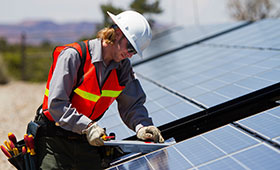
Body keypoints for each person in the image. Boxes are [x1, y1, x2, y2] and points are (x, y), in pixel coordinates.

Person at [34, 10, 164, 170]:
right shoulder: (74, 56)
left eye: (134, 52)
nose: (130, 55)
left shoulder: (122, 68)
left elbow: (132, 104)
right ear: (116, 34)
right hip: (54, 140)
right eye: (130, 48)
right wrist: (88, 127)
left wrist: (142, 126)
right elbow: (56, 105)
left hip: (85, 140)